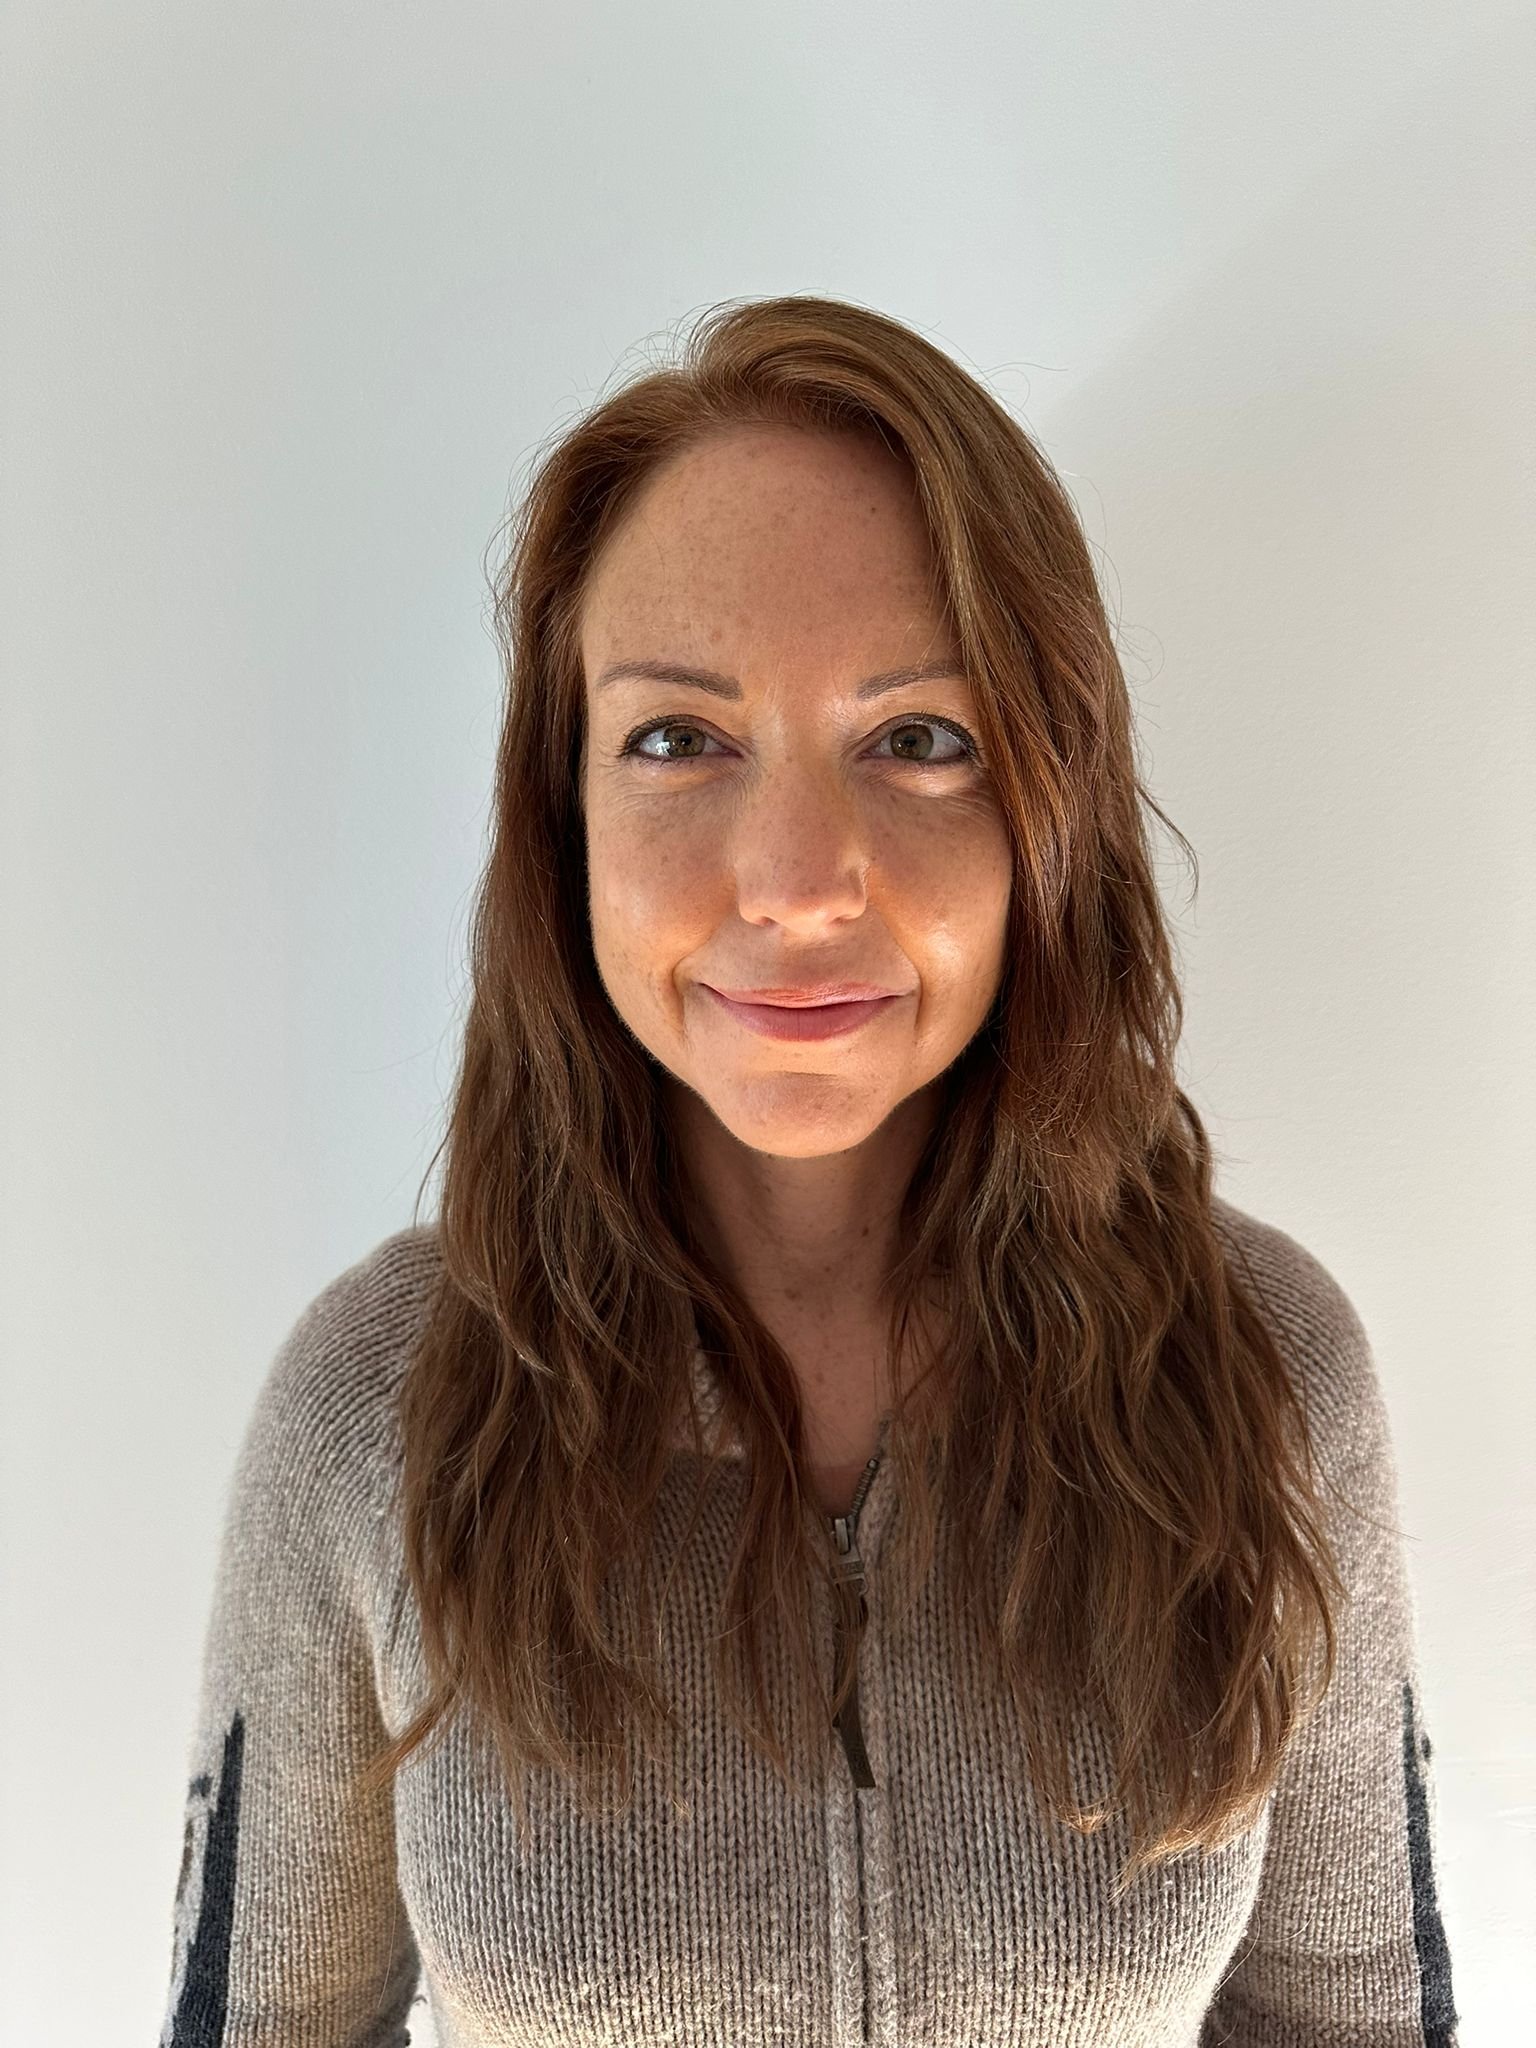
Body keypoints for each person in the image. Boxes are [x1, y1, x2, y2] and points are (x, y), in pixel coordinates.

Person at [159, 294, 1461, 2047]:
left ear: (1047, 816)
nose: (792, 877)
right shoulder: (378, 1408)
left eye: (919, 739)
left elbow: (1356, 2018)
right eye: (677, 738)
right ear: (564, 822)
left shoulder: (1266, 1375)